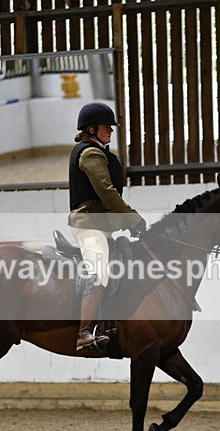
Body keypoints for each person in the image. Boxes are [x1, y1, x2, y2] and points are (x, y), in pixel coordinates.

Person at [68, 102, 146, 352]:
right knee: (99, 272)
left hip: (101, 225)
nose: (111, 131)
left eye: (111, 128)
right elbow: (105, 191)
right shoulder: (90, 154)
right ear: (91, 129)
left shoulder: (99, 151)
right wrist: (131, 217)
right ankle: (84, 332)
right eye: (106, 127)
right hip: (89, 226)